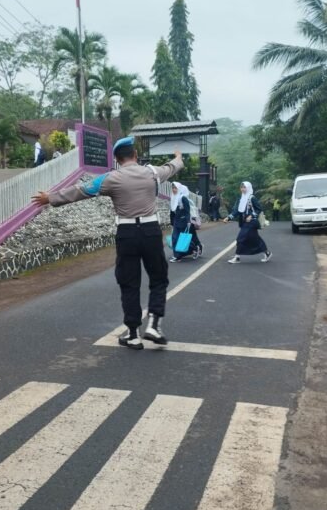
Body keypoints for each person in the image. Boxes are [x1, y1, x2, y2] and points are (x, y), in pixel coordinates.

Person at [32, 137, 184, 350]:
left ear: (116, 159)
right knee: (158, 278)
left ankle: (133, 335)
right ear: (135, 155)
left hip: (127, 233)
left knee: (129, 282)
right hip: (151, 232)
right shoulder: (152, 172)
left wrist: (51, 198)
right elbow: (173, 166)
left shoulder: (109, 179)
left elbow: (81, 190)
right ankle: (154, 325)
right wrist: (178, 157)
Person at [224, 181, 272, 264]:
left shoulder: (252, 198)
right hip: (244, 222)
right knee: (255, 239)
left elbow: (259, 208)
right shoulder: (240, 198)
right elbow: (237, 210)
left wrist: (252, 215)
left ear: (248, 188)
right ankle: (267, 253)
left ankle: (237, 257)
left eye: (244, 187)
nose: (242, 189)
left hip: (251, 222)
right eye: (241, 187)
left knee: (240, 238)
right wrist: (228, 217)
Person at [169, 182, 202, 262]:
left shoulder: (183, 198)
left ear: (179, 189)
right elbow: (172, 211)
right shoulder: (173, 197)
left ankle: (194, 248)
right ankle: (177, 256)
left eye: (175, 188)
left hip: (184, 221)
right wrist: (172, 222)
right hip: (177, 221)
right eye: (173, 188)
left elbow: (187, 211)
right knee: (175, 238)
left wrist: (188, 222)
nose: (174, 190)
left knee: (183, 239)